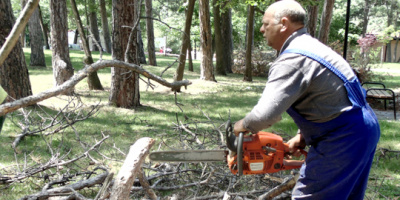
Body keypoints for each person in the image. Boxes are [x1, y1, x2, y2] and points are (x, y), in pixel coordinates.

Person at [233, 0, 380, 199]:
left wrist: (241, 126)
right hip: (361, 129)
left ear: (283, 24)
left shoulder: (292, 60)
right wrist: (303, 137)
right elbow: (329, 97)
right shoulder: (312, 47)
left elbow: (265, 115)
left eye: (265, 24)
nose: (261, 29)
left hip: (342, 138)